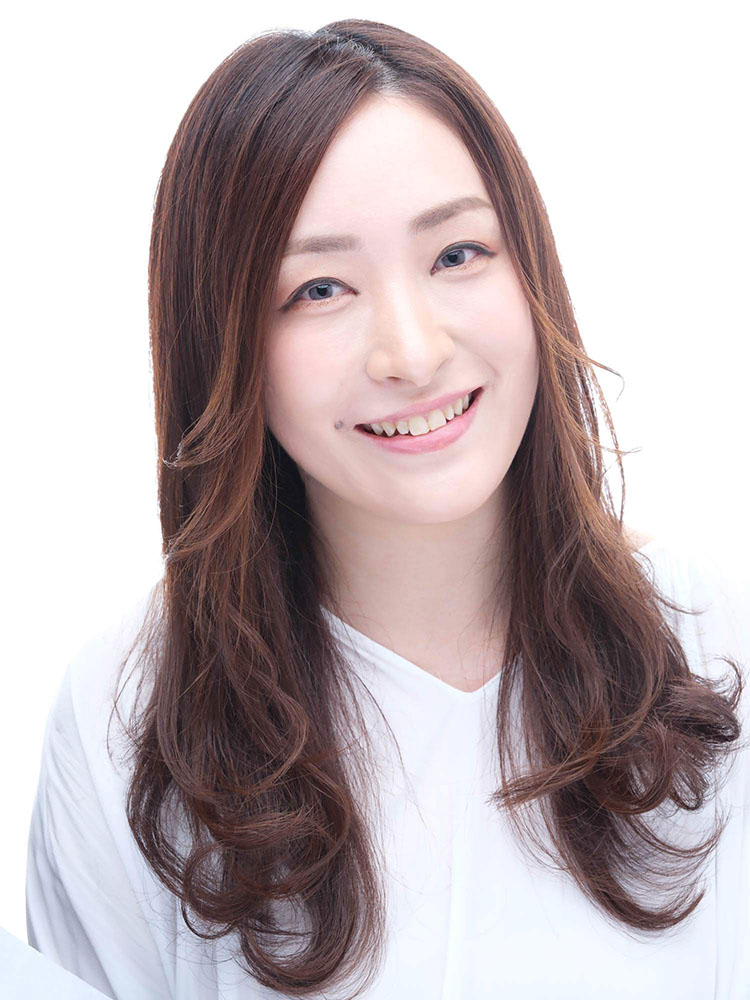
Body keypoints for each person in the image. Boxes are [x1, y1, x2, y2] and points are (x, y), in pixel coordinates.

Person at [25, 18, 750, 1000]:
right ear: (225, 344)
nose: (411, 351)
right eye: (321, 287)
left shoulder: (711, 640)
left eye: (457, 254)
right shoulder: (127, 720)